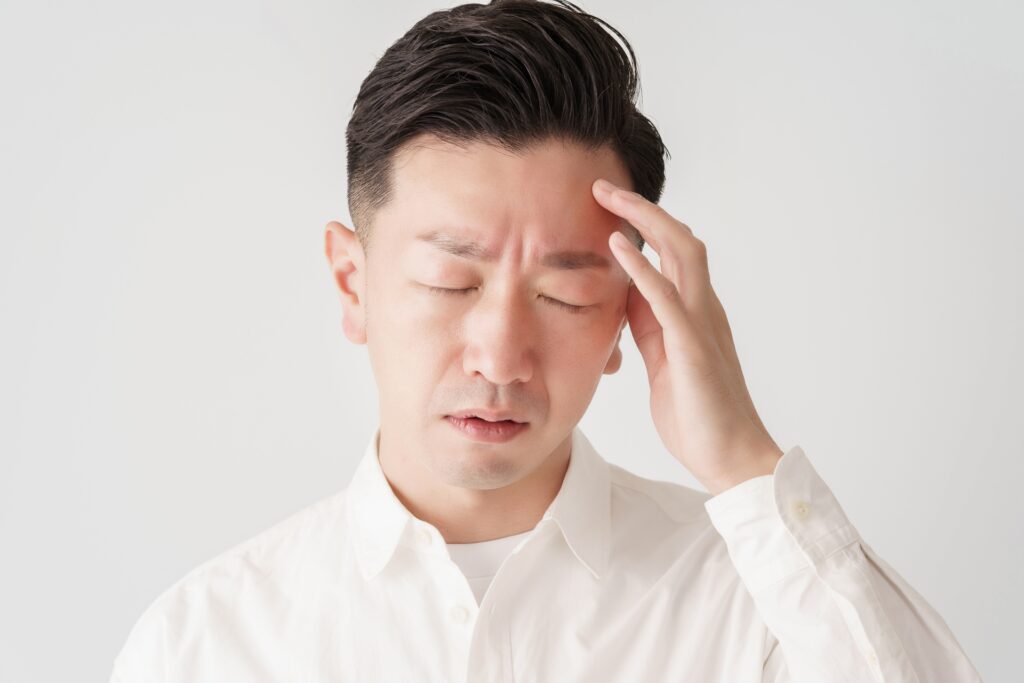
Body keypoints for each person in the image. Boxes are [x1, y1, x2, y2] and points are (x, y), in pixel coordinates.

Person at [109, 1, 983, 680]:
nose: (499, 357)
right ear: (352, 282)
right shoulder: (205, 643)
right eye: (451, 282)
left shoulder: (754, 597)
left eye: (565, 294)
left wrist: (744, 461)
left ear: (629, 313)